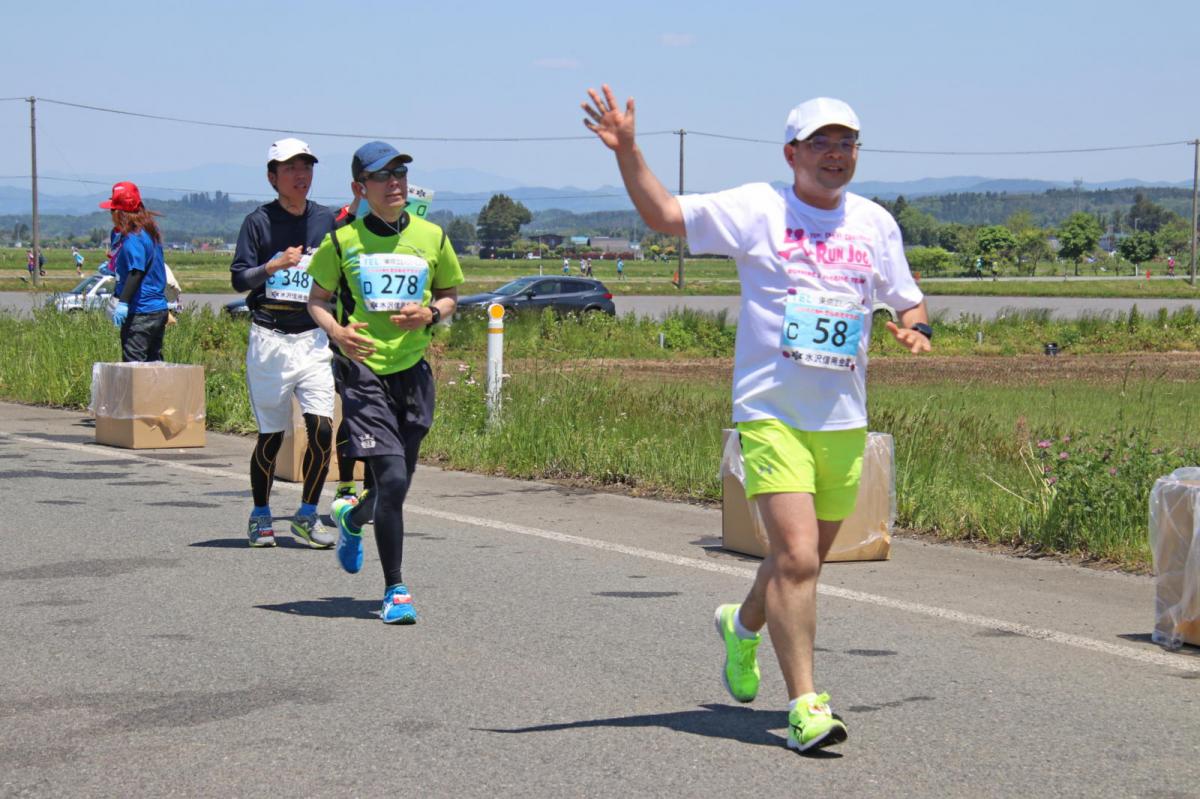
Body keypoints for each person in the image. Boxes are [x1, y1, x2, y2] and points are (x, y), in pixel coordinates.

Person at [583, 86, 931, 752]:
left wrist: (916, 328)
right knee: (797, 558)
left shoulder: (874, 223)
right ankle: (805, 705)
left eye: (847, 142)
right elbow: (662, 214)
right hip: (770, 412)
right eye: (823, 142)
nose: (836, 154)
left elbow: (907, 300)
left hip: (841, 419)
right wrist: (629, 150)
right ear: (791, 152)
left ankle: (740, 625)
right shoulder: (758, 209)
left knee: (797, 561)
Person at [307, 141, 464, 625]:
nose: (395, 182)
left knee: (394, 488)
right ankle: (395, 589)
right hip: (363, 372)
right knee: (392, 479)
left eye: (400, 173)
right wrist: (337, 332)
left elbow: (450, 294)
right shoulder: (341, 242)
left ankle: (352, 519)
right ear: (360, 188)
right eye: (383, 176)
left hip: (413, 374)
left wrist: (431, 313)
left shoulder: (432, 236)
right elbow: (317, 299)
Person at [230, 137, 361, 549]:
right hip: (270, 338)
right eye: (290, 169)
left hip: (313, 338)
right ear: (273, 177)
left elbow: (351, 237)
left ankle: (306, 514)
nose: (300, 175)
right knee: (271, 436)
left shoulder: (325, 219)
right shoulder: (258, 222)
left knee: (322, 429)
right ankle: (260, 513)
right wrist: (273, 265)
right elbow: (238, 278)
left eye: (306, 167)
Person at [101, 181, 170, 362]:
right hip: (158, 310)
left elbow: (136, 271)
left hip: (142, 311)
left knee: (134, 366)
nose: (110, 215)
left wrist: (123, 302)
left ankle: (139, 392)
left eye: (112, 210)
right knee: (154, 364)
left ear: (119, 213)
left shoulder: (133, 237)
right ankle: (159, 391)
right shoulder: (148, 231)